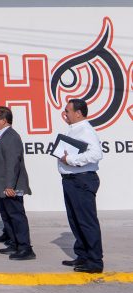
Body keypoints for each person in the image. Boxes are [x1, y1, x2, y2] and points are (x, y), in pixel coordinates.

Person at [57, 98, 104, 273]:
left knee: (86, 222)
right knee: (76, 221)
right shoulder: (75, 129)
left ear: (78, 113)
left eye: (67, 111)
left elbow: (96, 154)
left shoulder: (85, 129)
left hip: (81, 180)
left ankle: (95, 261)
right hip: (72, 180)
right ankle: (83, 255)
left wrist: (70, 160)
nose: (65, 114)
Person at [0, 106, 34, 260]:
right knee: (7, 215)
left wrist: (10, 186)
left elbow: (13, 163)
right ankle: (14, 242)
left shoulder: (11, 137)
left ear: (4, 120)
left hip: (10, 186)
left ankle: (25, 248)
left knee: (16, 216)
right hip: (1, 184)